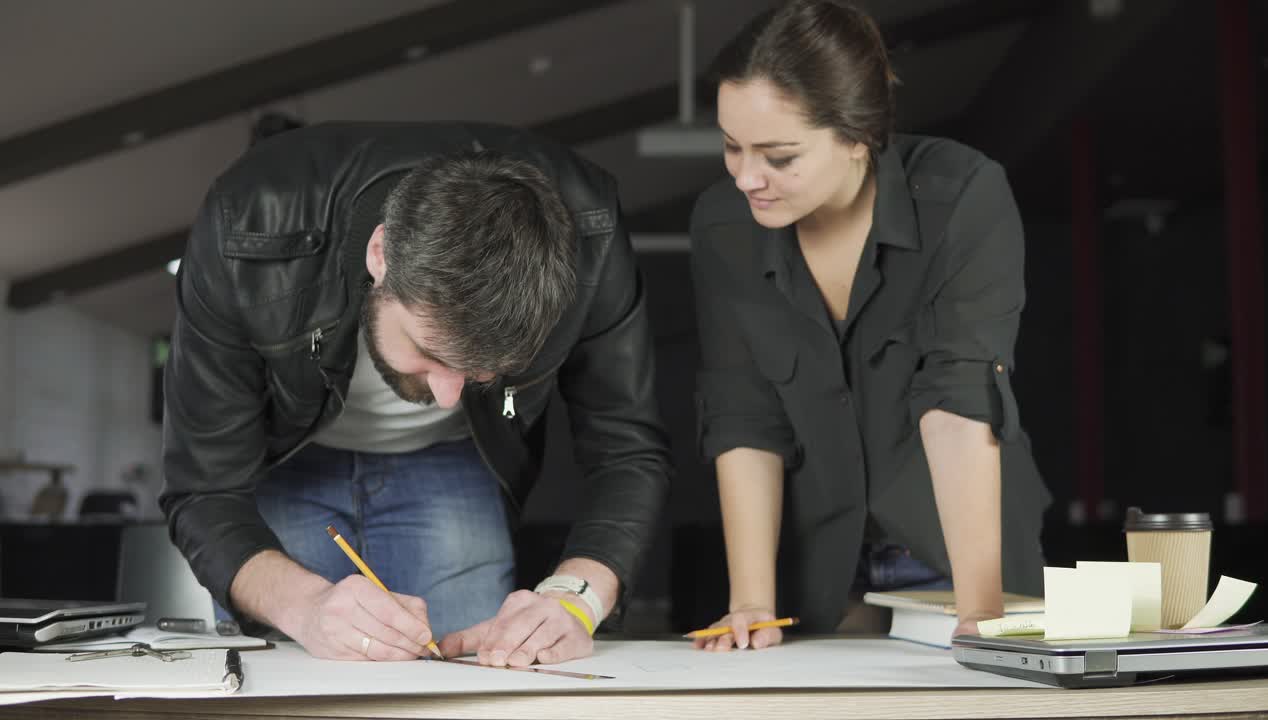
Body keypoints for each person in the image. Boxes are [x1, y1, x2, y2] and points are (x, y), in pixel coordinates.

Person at [160, 122, 671, 665]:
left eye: (480, 374)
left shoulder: (588, 231)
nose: (451, 397)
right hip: (287, 468)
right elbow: (203, 490)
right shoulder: (246, 220)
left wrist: (576, 598)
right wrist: (305, 606)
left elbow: (628, 450)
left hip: (454, 466)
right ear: (381, 254)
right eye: (431, 352)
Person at [688, 0, 1051, 651]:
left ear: (859, 137)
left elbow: (958, 401)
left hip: (957, 554)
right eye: (731, 145)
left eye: (779, 155)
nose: (747, 177)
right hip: (815, 569)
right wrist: (750, 603)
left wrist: (982, 613)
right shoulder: (722, 227)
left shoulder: (960, 196)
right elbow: (742, 414)